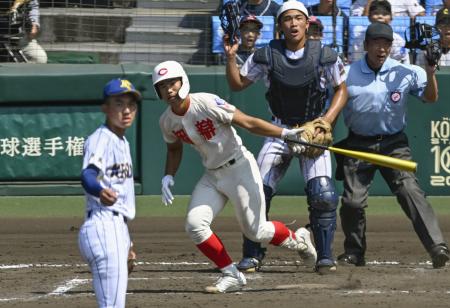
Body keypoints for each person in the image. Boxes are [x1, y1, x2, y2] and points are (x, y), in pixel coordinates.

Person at [153, 60, 317, 293]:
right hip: (212, 175)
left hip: (239, 168)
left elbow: (248, 122)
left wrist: (285, 133)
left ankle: (299, 240)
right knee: (194, 225)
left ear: (183, 81)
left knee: (256, 231)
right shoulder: (166, 121)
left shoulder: (206, 102)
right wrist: (168, 176)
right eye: (162, 86)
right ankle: (231, 275)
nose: (168, 89)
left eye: (172, 83)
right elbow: (173, 149)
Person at [224, 0, 348, 274]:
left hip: (312, 132)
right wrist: (231, 57)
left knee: (324, 194)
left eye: (298, 18)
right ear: (279, 25)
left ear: (307, 22)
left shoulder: (324, 54)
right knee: (257, 192)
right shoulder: (266, 55)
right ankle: (253, 253)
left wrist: (325, 122)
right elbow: (237, 84)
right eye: (287, 19)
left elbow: (342, 90)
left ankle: (325, 256)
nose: (293, 23)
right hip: (279, 131)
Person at [336, 22, 449, 269]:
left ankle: (437, 247)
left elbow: (430, 98)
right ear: (366, 45)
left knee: (410, 190)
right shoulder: (347, 73)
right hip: (358, 144)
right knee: (352, 202)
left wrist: (430, 72)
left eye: (386, 43)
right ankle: (354, 252)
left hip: (393, 143)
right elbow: (333, 105)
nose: (382, 48)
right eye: (376, 43)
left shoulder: (406, 71)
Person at [78, 78, 141, 308]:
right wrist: (100, 190)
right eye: (119, 103)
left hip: (116, 228)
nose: (126, 111)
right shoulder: (101, 139)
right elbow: (88, 175)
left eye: (131, 105)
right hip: (103, 227)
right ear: (105, 107)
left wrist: (127, 241)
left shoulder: (121, 141)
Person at [351, 0, 425, 17]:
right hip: (370, 38)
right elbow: (360, 24)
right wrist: (370, 2)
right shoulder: (358, 3)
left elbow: (421, 14)